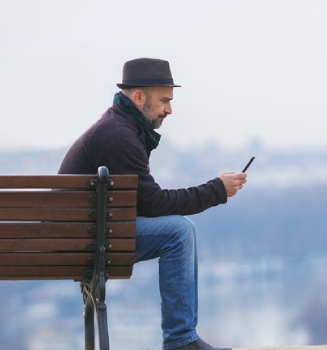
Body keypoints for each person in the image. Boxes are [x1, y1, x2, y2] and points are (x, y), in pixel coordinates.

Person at [58, 58, 246, 350]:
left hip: (85, 234)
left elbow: (144, 203)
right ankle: (181, 341)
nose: (169, 109)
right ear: (138, 97)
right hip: (87, 242)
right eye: (164, 100)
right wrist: (216, 190)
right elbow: (153, 204)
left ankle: (182, 339)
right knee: (179, 232)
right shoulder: (120, 136)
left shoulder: (119, 127)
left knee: (181, 230)